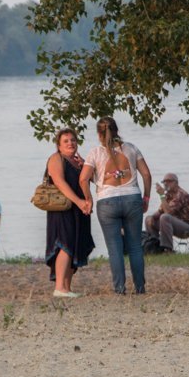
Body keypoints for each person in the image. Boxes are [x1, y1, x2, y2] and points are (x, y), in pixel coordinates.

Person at [80, 117, 152, 295]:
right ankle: (140, 287)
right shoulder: (131, 148)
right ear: (117, 130)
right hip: (132, 198)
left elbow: (82, 179)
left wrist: (88, 198)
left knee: (115, 249)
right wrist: (146, 196)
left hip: (107, 201)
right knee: (135, 246)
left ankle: (120, 288)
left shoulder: (95, 153)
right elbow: (147, 175)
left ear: (99, 134)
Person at [44, 128, 95, 298]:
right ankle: (59, 287)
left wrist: (84, 165)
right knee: (63, 244)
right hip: (62, 209)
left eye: (73, 140)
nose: (70, 143)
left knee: (74, 244)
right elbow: (59, 182)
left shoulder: (76, 161)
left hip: (77, 210)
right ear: (58, 145)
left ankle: (67, 286)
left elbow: (91, 181)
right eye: (65, 141)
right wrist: (79, 201)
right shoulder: (56, 158)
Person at [145, 173, 189, 252]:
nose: (166, 183)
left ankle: (168, 249)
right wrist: (151, 218)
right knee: (148, 219)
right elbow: (160, 212)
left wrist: (162, 195)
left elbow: (168, 213)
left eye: (169, 181)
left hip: (188, 227)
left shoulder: (181, 194)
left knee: (165, 217)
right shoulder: (168, 195)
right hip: (171, 224)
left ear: (176, 183)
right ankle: (155, 247)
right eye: (164, 182)